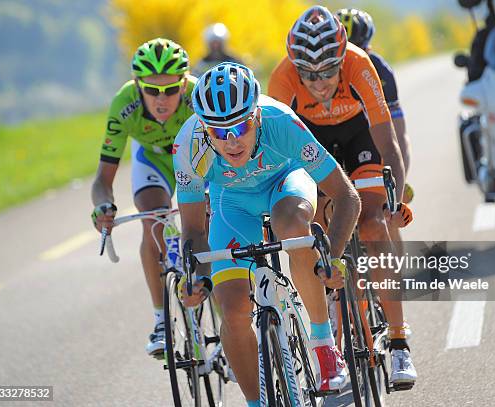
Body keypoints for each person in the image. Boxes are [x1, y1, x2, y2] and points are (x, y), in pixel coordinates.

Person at [174, 62, 361, 406]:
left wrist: (332, 257)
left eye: (241, 126)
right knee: (232, 311)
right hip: (232, 203)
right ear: (203, 127)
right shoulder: (188, 146)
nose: (231, 141)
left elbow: (347, 196)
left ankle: (323, 345)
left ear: (257, 116)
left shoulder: (280, 122)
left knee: (290, 227)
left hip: (284, 183)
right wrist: (196, 279)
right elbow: (194, 232)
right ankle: (256, 403)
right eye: (218, 132)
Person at [269, 5, 417, 389]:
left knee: (371, 224)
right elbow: (278, 158)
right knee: (315, 235)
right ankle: (331, 314)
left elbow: (389, 144)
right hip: (311, 144)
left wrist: (393, 201)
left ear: (342, 59)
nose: (319, 84)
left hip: (358, 139)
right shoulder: (281, 78)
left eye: (328, 71)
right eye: (309, 74)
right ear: (294, 65)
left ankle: (399, 340)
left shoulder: (359, 64)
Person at [91, 38, 197, 357]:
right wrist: (102, 206)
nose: (161, 99)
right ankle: (161, 320)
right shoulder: (123, 104)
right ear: (138, 85)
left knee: (208, 225)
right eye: (151, 90)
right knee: (154, 222)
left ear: (184, 83)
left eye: (170, 89)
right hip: (152, 159)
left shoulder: (198, 95)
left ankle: (228, 320)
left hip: (195, 155)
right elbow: (102, 179)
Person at [336, 7, 414, 245]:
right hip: (336, 137)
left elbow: (397, 134)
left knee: (384, 218)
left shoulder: (380, 70)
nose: (353, 57)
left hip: (369, 137)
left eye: (359, 49)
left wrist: (397, 186)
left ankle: (394, 277)